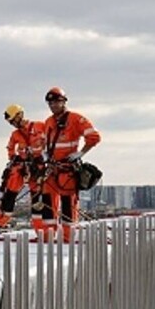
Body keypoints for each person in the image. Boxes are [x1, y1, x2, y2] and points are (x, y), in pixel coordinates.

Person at [41, 87, 101, 241]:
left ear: (63, 102)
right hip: (52, 169)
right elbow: (44, 142)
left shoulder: (75, 119)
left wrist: (81, 153)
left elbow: (94, 136)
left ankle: (68, 237)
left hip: (67, 170)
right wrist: (45, 153)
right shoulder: (49, 122)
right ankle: (48, 236)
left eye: (56, 102)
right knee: (48, 204)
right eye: (51, 103)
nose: (53, 106)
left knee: (68, 204)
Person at [0, 103, 46, 233]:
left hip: (37, 167)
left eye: (14, 120)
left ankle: (40, 229)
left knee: (37, 198)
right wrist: (14, 158)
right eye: (11, 122)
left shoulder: (39, 126)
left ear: (20, 115)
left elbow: (50, 140)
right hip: (22, 167)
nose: (13, 123)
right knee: (9, 194)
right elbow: (10, 149)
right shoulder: (15, 134)